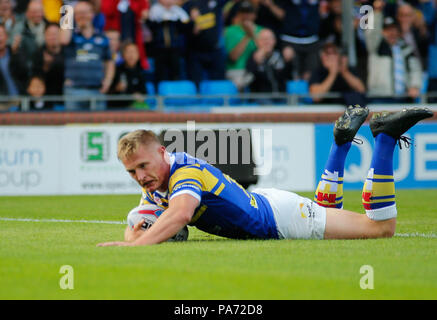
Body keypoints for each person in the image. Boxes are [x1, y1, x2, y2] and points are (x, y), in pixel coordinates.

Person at [97, 105, 433, 247]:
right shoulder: (159, 179)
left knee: (381, 230)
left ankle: (385, 139)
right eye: (132, 172)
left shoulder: (184, 174)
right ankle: (340, 145)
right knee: (320, 209)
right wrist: (134, 235)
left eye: (142, 166)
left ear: (160, 153)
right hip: (270, 204)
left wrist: (137, 247)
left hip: (279, 220)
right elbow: (143, 217)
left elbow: (181, 213)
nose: (139, 176)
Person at [60, 0, 115, 110]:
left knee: (98, 127)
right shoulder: (71, 35)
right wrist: (68, 11)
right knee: (73, 126)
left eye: (84, 12)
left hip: (97, 90)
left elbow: (109, 61)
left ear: (92, 14)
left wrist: (108, 80)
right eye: (78, 13)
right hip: (74, 89)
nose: (82, 16)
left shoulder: (102, 37)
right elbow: (63, 40)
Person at [365, 0, 422, 103]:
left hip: (403, 98)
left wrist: (415, 86)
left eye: (394, 29)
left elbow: (415, 69)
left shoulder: (406, 48)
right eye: (387, 30)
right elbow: (372, 33)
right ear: (382, 31)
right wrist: (377, 12)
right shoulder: (376, 46)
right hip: (380, 98)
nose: (391, 33)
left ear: (398, 31)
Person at [245, 28, 294, 103]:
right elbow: (247, 80)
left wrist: (289, 62)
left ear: (274, 41)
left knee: (293, 102)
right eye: (264, 39)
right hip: (260, 98)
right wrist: (255, 63)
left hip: (281, 96)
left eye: (269, 39)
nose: (267, 42)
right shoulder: (253, 57)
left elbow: (289, 77)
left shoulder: (281, 56)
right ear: (257, 42)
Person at [224, 0, 263, 90]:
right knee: (239, 82)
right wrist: (247, 36)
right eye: (243, 12)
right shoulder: (230, 31)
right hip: (237, 71)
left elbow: (264, 51)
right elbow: (233, 57)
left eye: (249, 12)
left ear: (255, 15)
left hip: (258, 70)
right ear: (239, 14)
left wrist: (253, 34)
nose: (246, 16)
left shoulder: (262, 31)